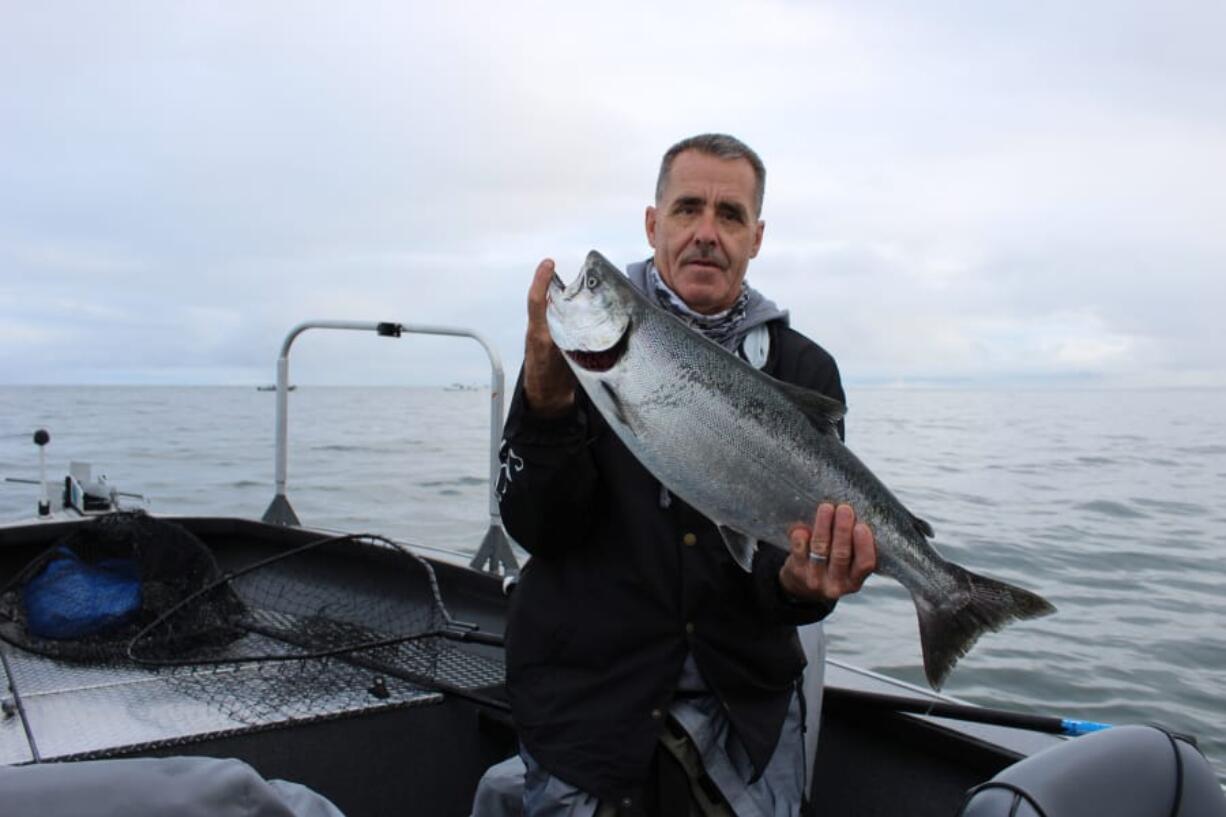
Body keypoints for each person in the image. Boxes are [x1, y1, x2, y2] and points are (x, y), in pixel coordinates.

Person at [494, 134, 877, 817]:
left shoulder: (805, 370)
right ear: (652, 222)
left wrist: (798, 587)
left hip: (746, 710)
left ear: (756, 237)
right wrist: (547, 408)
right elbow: (537, 527)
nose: (706, 233)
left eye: (729, 216)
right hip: (588, 703)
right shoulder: (577, 354)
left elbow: (792, 576)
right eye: (687, 209)